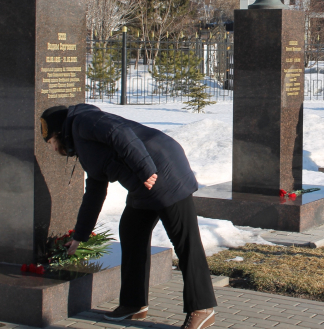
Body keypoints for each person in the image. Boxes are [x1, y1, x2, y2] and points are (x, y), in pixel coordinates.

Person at [40, 104, 217, 328]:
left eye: (50, 143)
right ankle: (134, 304)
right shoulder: (81, 144)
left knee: (185, 242)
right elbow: (95, 190)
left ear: (57, 133)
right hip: (143, 182)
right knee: (132, 232)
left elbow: (119, 133)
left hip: (163, 170)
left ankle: (202, 308)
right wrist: (80, 234)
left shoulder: (84, 122)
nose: (53, 149)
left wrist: (145, 169)